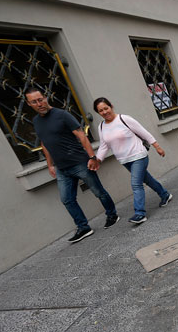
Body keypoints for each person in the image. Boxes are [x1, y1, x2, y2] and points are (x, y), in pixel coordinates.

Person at [27, 87, 119, 243]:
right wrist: (50, 165)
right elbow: (44, 144)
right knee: (67, 199)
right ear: (29, 104)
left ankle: (112, 214)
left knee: (98, 192)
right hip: (61, 168)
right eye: (34, 101)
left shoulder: (62, 115)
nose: (39, 103)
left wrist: (92, 157)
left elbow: (82, 136)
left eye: (41, 99)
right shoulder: (36, 121)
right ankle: (83, 227)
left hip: (79, 163)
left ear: (45, 98)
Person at [90, 97, 172, 225]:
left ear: (111, 106)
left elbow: (143, 132)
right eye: (101, 111)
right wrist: (98, 160)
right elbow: (104, 146)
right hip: (125, 160)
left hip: (139, 155)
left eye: (106, 108)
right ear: (98, 113)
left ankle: (140, 213)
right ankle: (165, 194)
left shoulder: (124, 119)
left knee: (136, 184)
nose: (105, 112)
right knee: (146, 179)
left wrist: (157, 146)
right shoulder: (101, 126)